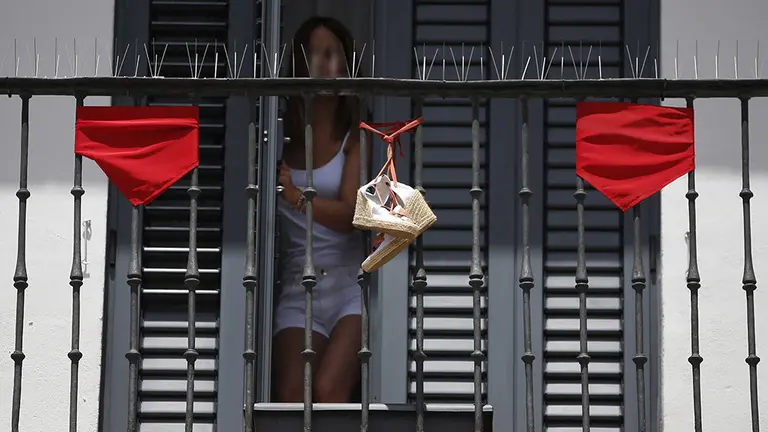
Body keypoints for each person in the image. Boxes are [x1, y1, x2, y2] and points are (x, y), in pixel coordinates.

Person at [273, 16, 364, 403]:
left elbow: (351, 215)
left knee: (329, 391)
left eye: (336, 55)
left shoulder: (354, 135)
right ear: (300, 64)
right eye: (319, 55)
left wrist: (296, 196)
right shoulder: (276, 137)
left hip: (347, 288)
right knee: (293, 395)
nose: (329, 65)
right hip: (298, 285)